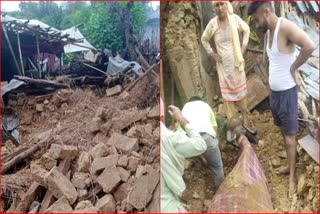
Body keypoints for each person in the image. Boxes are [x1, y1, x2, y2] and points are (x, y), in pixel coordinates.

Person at [247, 2, 315, 198]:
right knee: (282, 132)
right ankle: (288, 164)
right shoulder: (269, 31)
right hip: (275, 94)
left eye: (257, 18)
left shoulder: (285, 26)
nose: (256, 23)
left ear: (266, 12)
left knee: (290, 137)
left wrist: (293, 68)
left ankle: (292, 176)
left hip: (287, 93)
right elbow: (276, 61)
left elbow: (309, 45)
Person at [201, 1, 250, 123]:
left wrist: (243, 47)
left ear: (226, 5)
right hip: (223, 67)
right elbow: (204, 39)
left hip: (236, 64)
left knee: (241, 93)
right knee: (227, 97)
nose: (219, 8)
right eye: (216, 5)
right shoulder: (213, 24)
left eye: (222, 4)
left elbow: (247, 29)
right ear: (214, 8)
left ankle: (244, 118)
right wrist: (212, 53)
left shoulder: (234, 19)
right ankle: (234, 122)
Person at [161, 99, 207, 213]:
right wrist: (181, 119)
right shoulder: (169, 138)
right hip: (168, 207)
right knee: (217, 167)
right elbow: (201, 145)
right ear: (162, 116)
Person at [177, 96, 224, 188]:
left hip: (185, 140)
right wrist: (215, 145)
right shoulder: (206, 106)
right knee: (217, 167)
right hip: (206, 137)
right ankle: (220, 190)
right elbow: (214, 128)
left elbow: (179, 130)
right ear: (200, 101)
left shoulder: (185, 108)